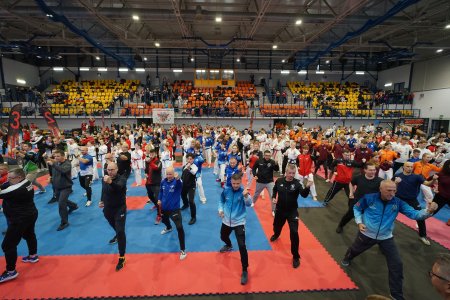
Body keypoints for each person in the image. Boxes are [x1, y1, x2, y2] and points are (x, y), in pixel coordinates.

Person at [341, 180, 438, 300]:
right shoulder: (369, 198)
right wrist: (359, 222)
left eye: (394, 191)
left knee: (397, 264)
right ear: (380, 189)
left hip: (386, 237)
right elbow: (356, 209)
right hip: (367, 233)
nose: (392, 193)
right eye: (389, 190)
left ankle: (396, 294)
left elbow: (415, 215)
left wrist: (428, 211)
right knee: (354, 250)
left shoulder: (398, 203)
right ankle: (347, 257)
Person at [0, 168, 39, 283]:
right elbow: (6, 185)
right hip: (31, 213)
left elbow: (5, 191)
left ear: (19, 178)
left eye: (10, 178)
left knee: (8, 245)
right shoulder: (27, 182)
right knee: (29, 234)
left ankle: (11, 272)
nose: (8, 180)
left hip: (19, 219)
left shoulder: (15, 189)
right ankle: (33, 256)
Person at [271, 164, 311, 268]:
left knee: (294, 232)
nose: (291, 175)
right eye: (289, 173)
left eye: (293, 173)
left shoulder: (297, 183)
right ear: (286, 172)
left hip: (292, 211)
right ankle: (276, 234)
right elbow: (275, 189)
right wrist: (273, 197)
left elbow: (304, 194)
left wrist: (307, 187)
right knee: (276, 227)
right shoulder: (279, 181)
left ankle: (296, 256)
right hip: (280, 210)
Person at [218, 173, 252, 285]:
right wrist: (220, 210)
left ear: (241, 182)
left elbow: (249, 204)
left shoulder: (243, 191)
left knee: (242, 246)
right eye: (234, 183)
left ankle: (245, 270)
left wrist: (246, 196)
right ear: (231, 182)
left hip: (239, 222)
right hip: (226, 220)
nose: (236, 185)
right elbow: (221, 200)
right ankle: (228, 245)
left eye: (237, 183)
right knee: (223, 236)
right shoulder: (226, 189)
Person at [393, 161, 438, 245]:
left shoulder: (417, 177)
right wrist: (395, 183)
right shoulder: (397, 176)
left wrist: (434, 180)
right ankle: (385, 232)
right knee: (389, 215)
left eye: (411, 167)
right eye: (408, 166)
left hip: (412, 200)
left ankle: (423, 236)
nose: (410, 168)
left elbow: (427, 184)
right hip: (397, 199)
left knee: (420, 217)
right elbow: (392, 187)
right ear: (403, 167)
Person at [336, 162, 382, 233]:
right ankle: (340, 225)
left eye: (374, 170)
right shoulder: (359, 178)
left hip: (370, 204)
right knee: (349, 215)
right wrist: (351, 193)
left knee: (368, 219)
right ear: (365, 170)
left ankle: (365, 232)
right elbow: (351, 183)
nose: (373, 172)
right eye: (370, 170)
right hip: (357, 201)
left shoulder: (380, 181)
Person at [99, 162, 127, 271]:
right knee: (116, 228)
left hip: (120, 208)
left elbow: (119, 188)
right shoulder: (104, 178)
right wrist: (101, 200)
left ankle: (122, 257)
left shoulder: (122, 179)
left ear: (117, 169)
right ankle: (118, 235)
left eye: (112, 169)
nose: (110, 172)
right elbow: (103, 190)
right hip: (108, 209)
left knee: (120, 231)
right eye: (108, 170)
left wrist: (111, 182)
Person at [158, 166, 187, 260]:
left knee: (179, 227)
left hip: (175, 209)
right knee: (164, 220)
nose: (169, 176)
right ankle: (169, 228)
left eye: (170, 174)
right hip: (164, 208)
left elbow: (180, 185)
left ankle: (183, 250)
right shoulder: (163, 181)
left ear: (173, 174)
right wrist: (159, 199)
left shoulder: (177, 182)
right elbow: (161, 191)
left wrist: (178, 178)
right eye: (167, 174)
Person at [46, 149, 78, 231]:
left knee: (61, 203)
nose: (56, 158)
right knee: (60, 200)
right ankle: (73, 206)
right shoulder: (56, 163)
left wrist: (53, 165)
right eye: (55, 156)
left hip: (66, 187)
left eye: (58, 156)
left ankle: (64, 222)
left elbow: (63, 170)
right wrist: (51, 179)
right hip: (57, 186)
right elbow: (55, 173)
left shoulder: (67, 164)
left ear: (63, 156)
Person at [252, 150, 279, 216]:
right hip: (260, 181)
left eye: (269, 156)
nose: (267, 157)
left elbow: (276, 169)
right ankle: (252, 202)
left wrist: (276, 164)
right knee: (256, 194)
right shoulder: (259, 161)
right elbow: (254, 168)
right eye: (266, 155)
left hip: (269, 181)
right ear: (264, 155)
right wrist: (255, 175)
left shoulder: (272, 162)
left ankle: (273, 210)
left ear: (270, 156)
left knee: (273, 196)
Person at [144, 148, 162, 225]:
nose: (151, 155)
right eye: (150, 154)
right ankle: (155, 205)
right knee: (150, 196)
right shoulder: (148, 161)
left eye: (152, 154)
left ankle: (159, 215)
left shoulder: (159, 162)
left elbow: (157, 168)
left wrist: (150, 162)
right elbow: (146, 170)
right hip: (148, 182)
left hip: (156, 183)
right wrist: (146, 174)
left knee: (158, 199)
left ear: (155, 154)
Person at [180, 153, 198, 225]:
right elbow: (182, 176)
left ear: (193, 159)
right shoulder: (184, 166)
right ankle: (185, 204)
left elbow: (193, 173)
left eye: (191, 159)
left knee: (191, 201)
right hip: (184, 185)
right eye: (188, 159)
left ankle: (193, 217)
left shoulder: (195, 167)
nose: (189, 160)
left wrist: (189, 168)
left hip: (191, 186)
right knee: (183, 195)